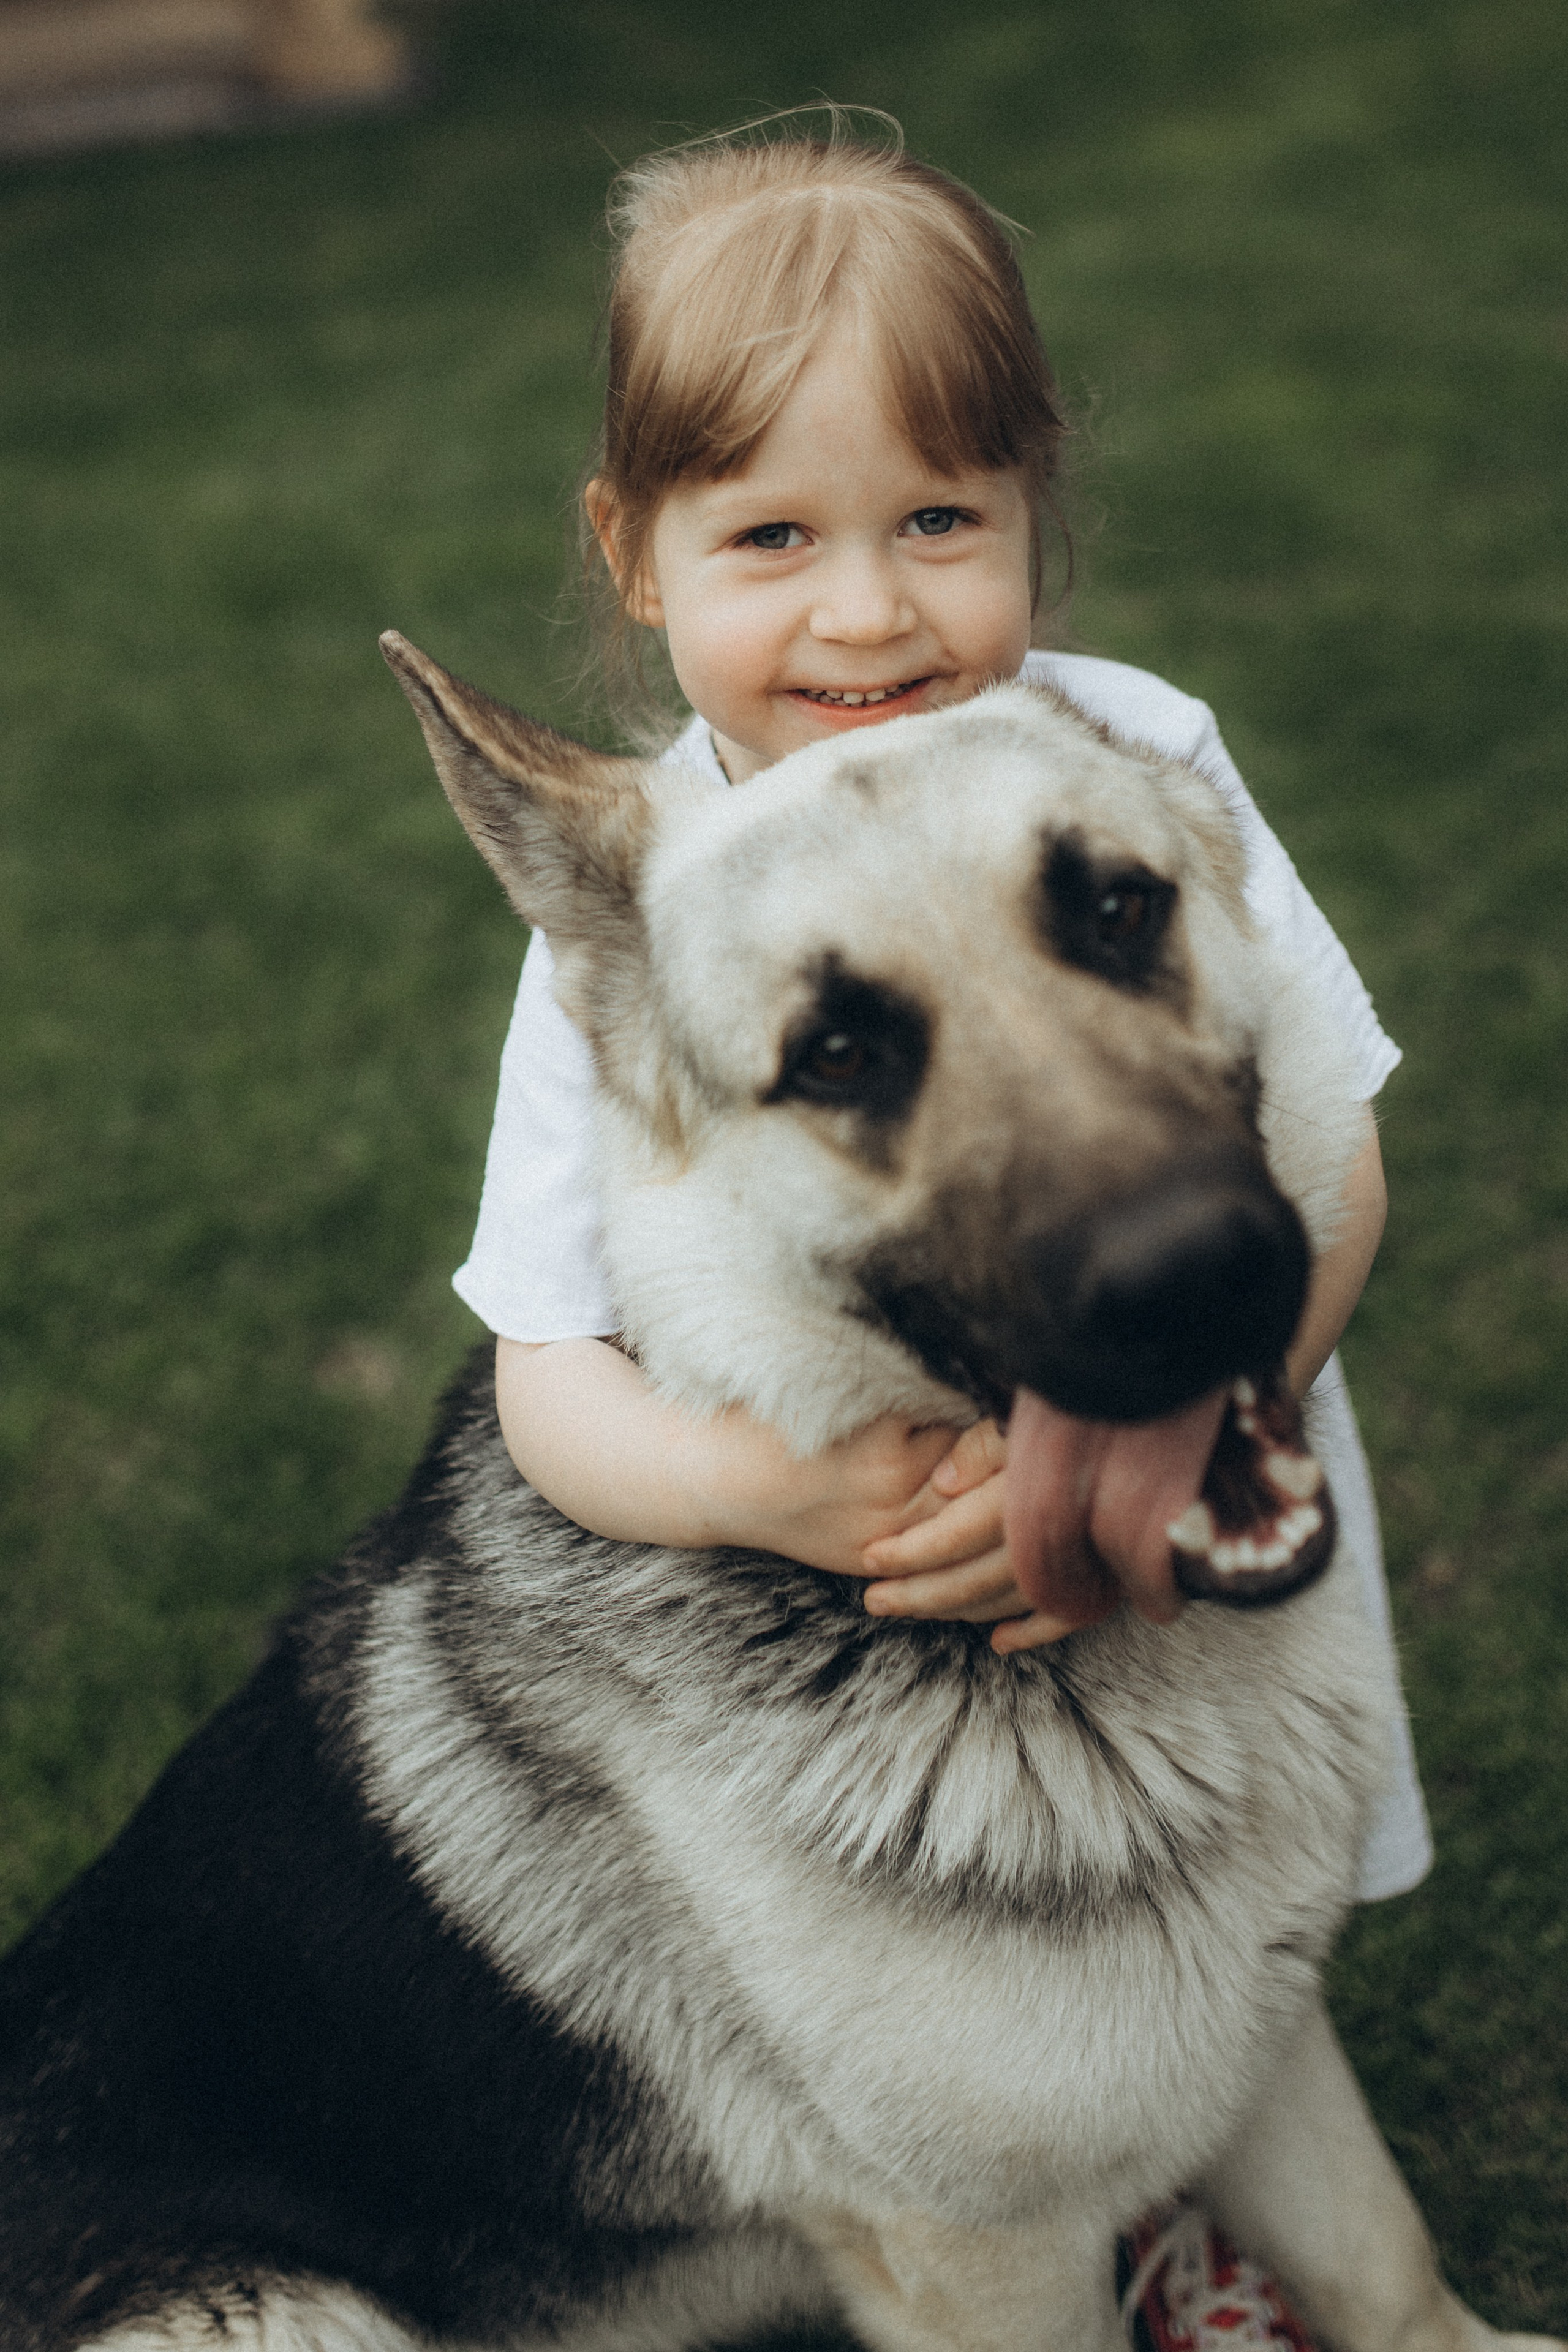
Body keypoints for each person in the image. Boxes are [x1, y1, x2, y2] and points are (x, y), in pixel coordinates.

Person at [453, 114, 1432, 2337]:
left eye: (939, 521)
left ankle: (1248, 2230)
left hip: (1229, 1441)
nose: (873, 606)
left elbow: (1331, 1136)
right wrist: (777, 1496)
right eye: (775, 533)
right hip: (869, 1535)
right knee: (1026, 2088)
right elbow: (541, 1359)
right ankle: (1108, 2196)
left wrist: (1238, 1394)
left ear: (1029, 514)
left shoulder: (1132, 745)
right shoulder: (641, 926)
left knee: (1228, 1928)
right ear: (639, 554)